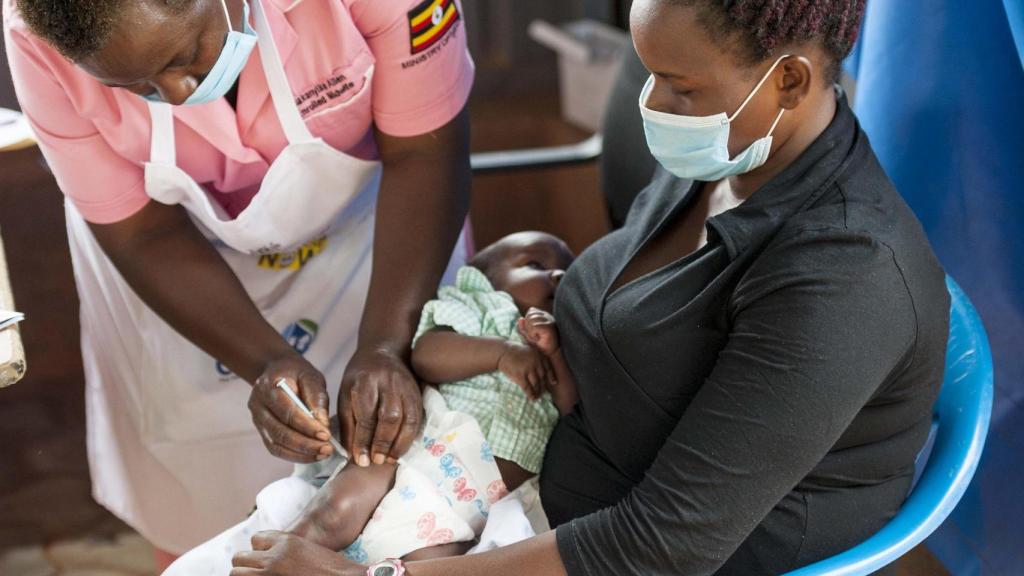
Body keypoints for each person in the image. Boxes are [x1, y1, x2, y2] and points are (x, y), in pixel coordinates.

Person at [226, 0, 952, 575]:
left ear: (788, 81)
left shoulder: (844, 280)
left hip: (614, 546)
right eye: (650, 71)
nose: (653, 104)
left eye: (682, 85)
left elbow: (662, 545)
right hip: (518, 471)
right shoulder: (731, 152)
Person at [3, 0, 474, 568]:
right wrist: (265, 360)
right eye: (138, 87)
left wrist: (383, 343)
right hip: (175, 272)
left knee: (410, 487)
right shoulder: (38, 28)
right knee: (202, 507)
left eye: (183, 57)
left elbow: (426, 152)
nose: (176, 96)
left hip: (382, 236)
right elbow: (141, 234)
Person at [161, 231, 576, 573]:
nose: (557, 274)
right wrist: (503, 352)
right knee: (338, 508)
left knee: (425, 562)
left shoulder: (564, 345)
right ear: (480, 277)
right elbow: (429, 353)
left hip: (473, 502)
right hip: (417, 447)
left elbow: (569, 409)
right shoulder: (483, 308)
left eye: (566, 273)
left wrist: (555, 351)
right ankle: (274, 561)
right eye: (535, 265)